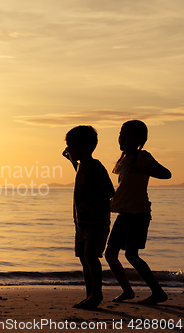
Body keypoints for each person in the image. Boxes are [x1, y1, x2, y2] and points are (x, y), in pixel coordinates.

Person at [105, 120, 171, 305]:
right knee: (110, 254)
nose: (122, 139)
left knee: (131, 255)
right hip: (124, 213)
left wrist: (143, 170)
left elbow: (167, 174)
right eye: (120, 135)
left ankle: (158, 292)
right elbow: (123, 187)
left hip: (139, 213)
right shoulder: (123, 159)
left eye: (126, 136)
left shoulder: (142, 156)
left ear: (140, 139)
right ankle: (127, 291)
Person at [63, 125, 115, 309]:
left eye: (72, 146)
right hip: (81, 222)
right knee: (84, 257)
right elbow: (70, 158)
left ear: (86, 147)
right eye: (67, 146)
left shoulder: (95, 166)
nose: (68, 149)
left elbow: (109, 191)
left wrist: (90, 204)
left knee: (90, 256)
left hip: (96, 221)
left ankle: (96, 295)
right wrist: (69, 155)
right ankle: (90, 295)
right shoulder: (80, 166)